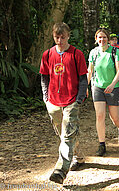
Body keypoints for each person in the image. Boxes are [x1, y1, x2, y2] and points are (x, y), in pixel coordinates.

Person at [40, 22, 88, 184]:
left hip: (71, 100)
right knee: (64, 133)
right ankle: (78, 155)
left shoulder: (76, 54)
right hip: (53, 101)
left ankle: (61, 170)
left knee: (67, 135)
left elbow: (83, 78)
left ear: (68, 36)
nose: (59, 40)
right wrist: (46, 98)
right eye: (56, 37)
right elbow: (44, 77)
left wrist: (79, 99)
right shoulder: (47, 54)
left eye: (62, 37)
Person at [87, 29, 119, 156]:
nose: (102, 40)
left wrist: (112, 84)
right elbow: (90, 71)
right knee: (99, 115)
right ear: (96, 39)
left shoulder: (115, 52)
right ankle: (102, 144)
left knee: (114, 117)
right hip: (98, 87)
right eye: (99, 38)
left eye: (104, 37)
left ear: (108, 39)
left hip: (113, 87)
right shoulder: (93, 53)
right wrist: (84, 87)